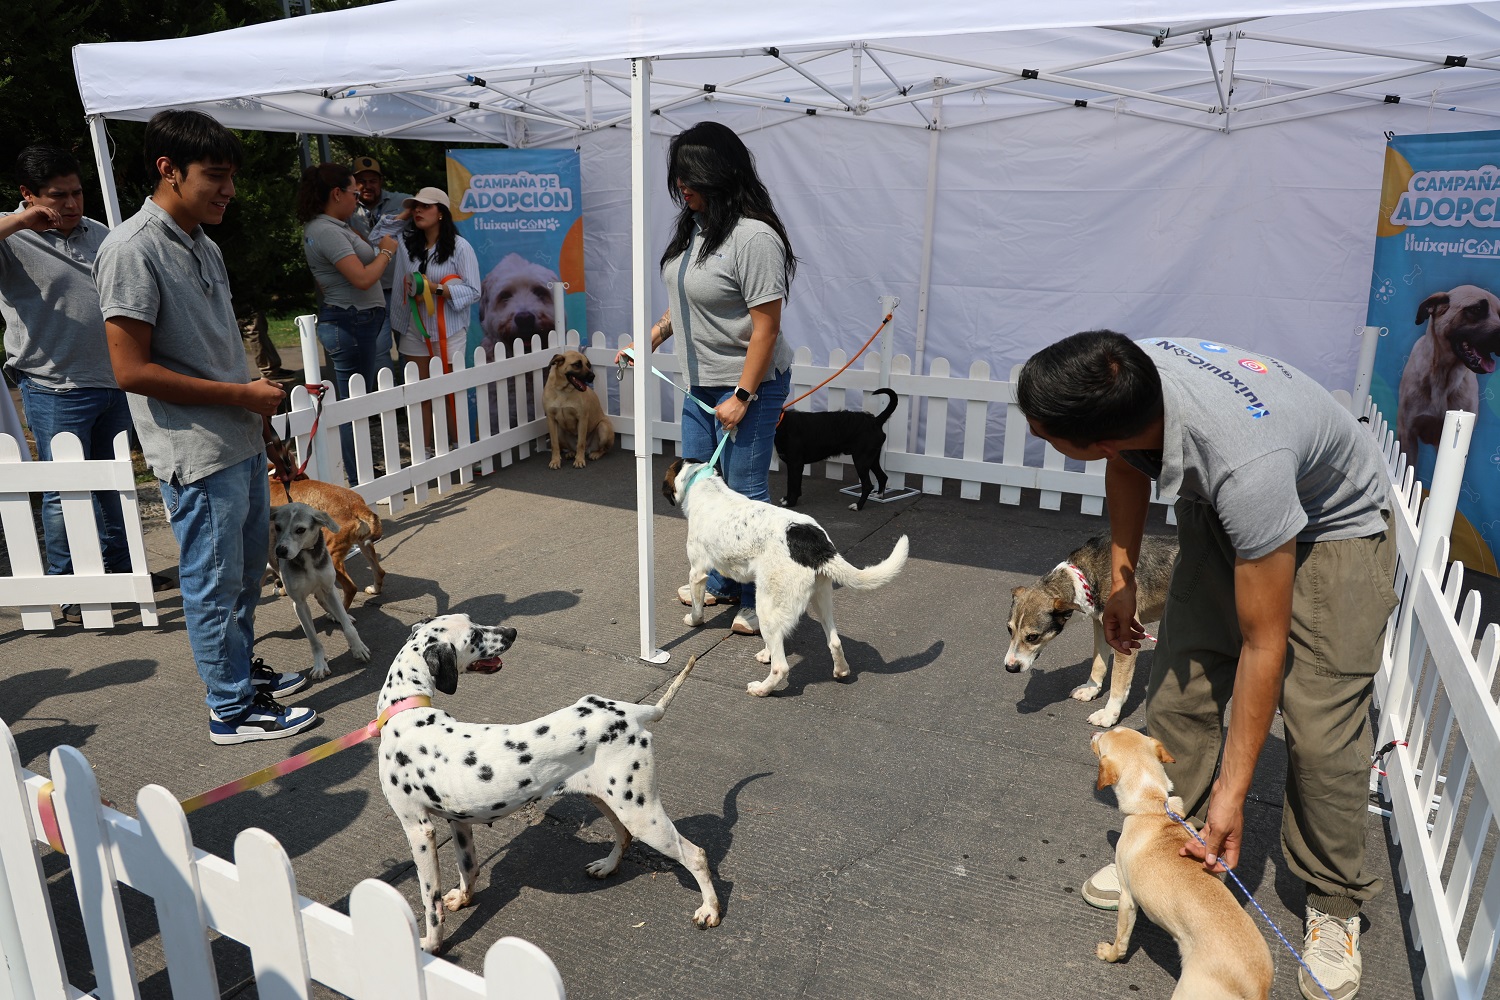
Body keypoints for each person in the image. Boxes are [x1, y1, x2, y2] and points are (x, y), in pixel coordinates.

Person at [1016, 331, 1397, 1000]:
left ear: (1094, 433)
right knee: (1182, 676)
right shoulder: (1130, 379)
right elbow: (1127, 463)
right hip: (1226, 504)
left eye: (1047, 435)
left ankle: (1334, 904)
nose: (1038, 437)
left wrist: (1233, 793)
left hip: (1333, 527)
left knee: (1320, 722)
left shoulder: (1245, 462)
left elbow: (1263, 643)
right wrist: (1124, 577)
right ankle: (1165, 854)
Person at [96, 109, 315, 745]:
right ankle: (230, 709)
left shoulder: (202, 241)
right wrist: (240, 395)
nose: (228, 190)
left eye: (231, 178)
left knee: (245, 572)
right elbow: (129, 370)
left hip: (237, 439)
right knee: (213, 580)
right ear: (168, 170)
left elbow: (213, 348)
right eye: (215, 176)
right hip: (195, 450)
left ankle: (241, 676)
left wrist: (257, 409)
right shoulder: (130, 249)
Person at [641, 121, 798, 638]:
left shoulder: (754, 237)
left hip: (745, 383)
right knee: (701, 488)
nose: (683, 189)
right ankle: (727, 583)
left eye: (692, 179)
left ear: (721, 173)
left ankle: (760, 596)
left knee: (746, 491)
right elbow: (688, 292)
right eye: (678, 179)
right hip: (699, 381)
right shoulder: (698, 225)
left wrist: (743, 394)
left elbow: (766, 326)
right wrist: (662, 329)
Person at [1, 144, 138, 622]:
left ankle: (122, 572)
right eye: (57, 196)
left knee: (115, 485)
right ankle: (68, 587)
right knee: (63, 492)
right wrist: (21, 222)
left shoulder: (97, 233)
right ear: (28, 194)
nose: (71, 205)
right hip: (52, 384)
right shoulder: (10, 235)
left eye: (77, 193)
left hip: (112, 380)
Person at [295, 162, 398, 485]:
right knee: (351, 407)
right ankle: (354, 477)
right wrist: (387, 253)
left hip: (357, 320)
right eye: (353, 193)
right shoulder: (325, 230)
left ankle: (357, 472)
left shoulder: (336, 225)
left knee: (357, 402)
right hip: (350, 323)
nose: (358, 198)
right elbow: (363, 278)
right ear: (336, 193)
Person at [388, 187, 480, 453]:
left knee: (451, 391)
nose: (418, 210)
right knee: (418, 393)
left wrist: (437, 289)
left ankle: (461, 448)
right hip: (413, 327)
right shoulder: (407, 242)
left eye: (425, 206)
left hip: (448, 329)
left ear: (441, 213)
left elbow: (474, 291)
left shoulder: (460, 247)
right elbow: (378, 235)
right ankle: (424, 452)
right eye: (415, 205)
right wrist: (405, 214)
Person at [350, 156, 411, 381]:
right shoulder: (347, 208)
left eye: (373, 180)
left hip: (402, 287)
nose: (368, 186)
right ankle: (391, 404)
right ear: (353, 183)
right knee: (378, 348)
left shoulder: (402, 200)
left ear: (381, 181)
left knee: (409, 346)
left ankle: (412, 399)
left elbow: (427, 212)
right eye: (362, 181)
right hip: (371, 290)